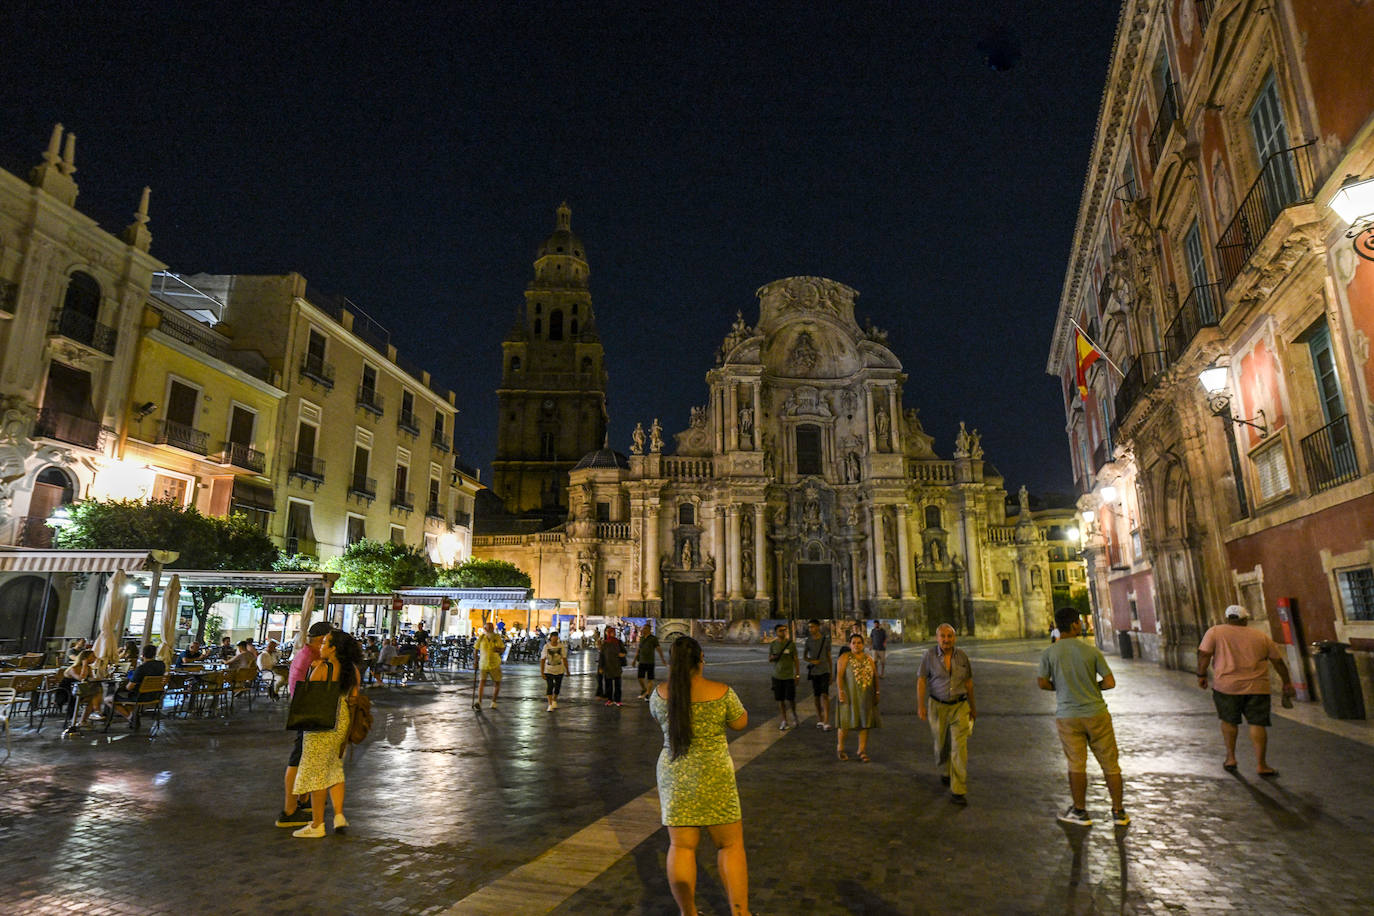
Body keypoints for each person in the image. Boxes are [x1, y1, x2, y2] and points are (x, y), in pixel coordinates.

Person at [648, 637, 750, 916]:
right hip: (715, 773)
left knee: (681, 847)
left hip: (675, 773)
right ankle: (740, 912)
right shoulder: (722, 692)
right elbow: (740, 722)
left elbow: (658, 719)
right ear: (701, 659)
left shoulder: (660, 694)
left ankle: (688, 912)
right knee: (730, 845)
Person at [1037, 607, 1128, 827]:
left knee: (1076, 765)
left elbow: (1042, 683)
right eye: (1079, 621)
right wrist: (1093, 687)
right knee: (1111, 765)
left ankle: (1080, 811)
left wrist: (1062, 688)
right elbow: (1110, 682)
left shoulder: (1050, 653)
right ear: (1075, 625)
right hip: (1097, 714)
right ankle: (1118, 812)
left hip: (1068, 716)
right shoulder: (1091, 651)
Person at [1197, 604, 1295, 777]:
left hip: (1226, 686)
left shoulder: (1215, 632)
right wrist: (1286, 682)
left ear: (1227, 619)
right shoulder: (1260, 636)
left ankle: (1231, 758)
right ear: (1245, 619)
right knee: (1257, 724)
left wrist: (1201, 674)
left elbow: (1204, 654)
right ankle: (1261, 765)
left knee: (1229, 722)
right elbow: (1278, 661)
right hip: (1258, 687)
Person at [292, 629, 364, 838]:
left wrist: (312, 670)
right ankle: (338, 815)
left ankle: (317, 824)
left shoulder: (324, 668)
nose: (321, 647)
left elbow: (310, 695)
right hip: (342, 722)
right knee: (334, 767)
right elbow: (354, 698)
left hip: (321, 722)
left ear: (333, 649)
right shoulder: (352, 670)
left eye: (325, 643)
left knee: (317, 773)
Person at [276, 620, 333, 829]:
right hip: (307, 711)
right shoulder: (313, 658)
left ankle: (303, 800)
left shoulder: (305, 653)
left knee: (303, 758)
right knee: (297, 759)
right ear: (321, 640)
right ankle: (289, 810)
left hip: (303, 709)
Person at [916, 624, 976, 805]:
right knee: (942, 745)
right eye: (943, 636)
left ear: (954, 638)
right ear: (937, 638)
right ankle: (946, 769)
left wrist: (973, 707)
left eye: (949, 636)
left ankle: (958, 790)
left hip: (960, 706)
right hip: (938, 706)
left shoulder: (962, 656)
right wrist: (920, 705)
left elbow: (969, 683)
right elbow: (921, 680)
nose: (946, 640)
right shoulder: (929, 656)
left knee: (959, 747)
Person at [836, 632, 880, 761]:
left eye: (859, 643)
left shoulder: (868, 659)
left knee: (865, 723)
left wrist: (877, 692)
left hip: (866, 696)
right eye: (854, 643)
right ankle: (840, 748)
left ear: (863, 644)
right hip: (849, 695)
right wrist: (840, 691)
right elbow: (839, 676)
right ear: (850, 645)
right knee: (845, 722)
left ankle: (862, 750)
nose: (856, 645)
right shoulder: (845, 657)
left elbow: (875, 677)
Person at [107, 644, 167, 718]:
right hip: (155, 696)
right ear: (154, 654)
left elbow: (129, 687)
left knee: (108, 699)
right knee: (128, 701)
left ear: (143, 655)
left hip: (139, 697)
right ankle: (133, 716)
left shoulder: (141, 668)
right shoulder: (161, 665)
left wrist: (123, 687)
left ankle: (130, 717)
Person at [768, 623, 801, 730]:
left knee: (791, 698)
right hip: (777, 676)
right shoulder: (773, 644)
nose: (783, 632)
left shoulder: (791, 644)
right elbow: (769, 659)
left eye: (784, 630)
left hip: (789, 676)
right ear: (776, 632)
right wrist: (773, 657)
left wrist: (797, 674)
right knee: (780, 699)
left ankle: (794, 716)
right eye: (781, 630)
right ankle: (784, 720)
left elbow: (796, 660)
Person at [803, 619, 833, 731]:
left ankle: (826, 721)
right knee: (816, 696)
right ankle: (820, 719)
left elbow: (829, 657)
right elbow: (805, 657)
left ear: (818, 627)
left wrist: (831, 673)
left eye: (813, 627)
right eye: (809, 627)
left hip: (824, 671)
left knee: (825, 695)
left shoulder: (825, 640)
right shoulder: (808, 641)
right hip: (814, 672)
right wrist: (812, 661)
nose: (811, 629)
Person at [64, 649, 102, 727]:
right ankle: (95, 711)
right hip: (68, 692)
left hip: (80, 690)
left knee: (97, 691)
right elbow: (82, 679)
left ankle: (86, 718)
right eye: (93, 656)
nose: (95, 658)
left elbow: (91, 679)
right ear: (85, 658)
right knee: (94, 696)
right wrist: (84, 665)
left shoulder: (89, 668)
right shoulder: (73, 668)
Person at [474, 622, 505, 709]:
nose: (490, 630)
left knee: (497, 682)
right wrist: (475, 661)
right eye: (488, 628)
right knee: (481, 682)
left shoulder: (497, 637)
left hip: (495, 663)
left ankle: (494, 701)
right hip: (483, 663)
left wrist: (498, 649)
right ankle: (479, 701)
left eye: (491, 628)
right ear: (485, 629)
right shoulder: (481, 637)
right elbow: (475, 649)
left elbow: (503, 649)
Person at [635, 623, 668, 700]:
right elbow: (639, 649)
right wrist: (634, 659)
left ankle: (647, 695)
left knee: (650, 679)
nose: (643, 630)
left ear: (649, 629)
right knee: (640, 678)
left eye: (645, 628)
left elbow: (658, 649)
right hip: (642, 661)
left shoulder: (653, 639)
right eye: (643, 628)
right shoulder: (641, 638)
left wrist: (663, 659)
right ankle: (644, 689)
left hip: (650, 661)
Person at [540, 631, 568, 711]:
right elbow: (542, 659)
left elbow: (564, 658)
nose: (555, 639)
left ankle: (554, 700)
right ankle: (550, 704)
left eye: (556, 637)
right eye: (553, 637)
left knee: (557, 686)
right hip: (548, 670)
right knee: (550, 686)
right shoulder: (546, 646)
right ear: (551, 638)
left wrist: (567, 669)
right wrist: (542, 672)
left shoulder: (561, 646)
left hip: (559, 670)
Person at [600, 626, 628, 706]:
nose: (613, 634)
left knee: (617, 684)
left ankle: (617, 700)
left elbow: (624, 652)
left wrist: (622, 654)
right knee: (608, 685)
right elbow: (602, 656)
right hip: (608, 667)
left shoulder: (618, 642)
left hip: (616, 666)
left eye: (613, 632)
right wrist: (601, 667)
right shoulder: (605, 643)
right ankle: (610, 700)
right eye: (611, 632)